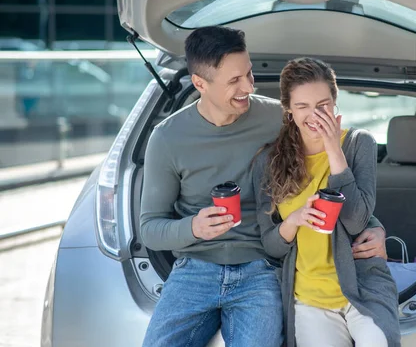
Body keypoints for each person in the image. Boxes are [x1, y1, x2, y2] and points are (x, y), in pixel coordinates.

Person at [140, 26, 387, 346]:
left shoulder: (278, 118)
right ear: (200, 83)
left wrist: (373, 225)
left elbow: (325, 169)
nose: (249, 86)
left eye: (249, 73)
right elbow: (149, 228)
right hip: (194, 270)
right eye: (234, 81)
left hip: (261, 268)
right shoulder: (167, 137)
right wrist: (194, 227)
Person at [253, 57, 401, 347]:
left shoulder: (359, 143)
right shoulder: (268, 162)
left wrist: (334, 149)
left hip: (363, 287)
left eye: (322, 105)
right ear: (288, 110)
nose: (314, 115)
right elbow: (270, 245)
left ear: (335, 103)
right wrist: (293, 220)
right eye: (302, 106)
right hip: (309, 299)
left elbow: (356, 221)